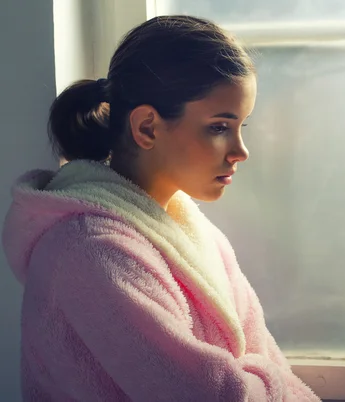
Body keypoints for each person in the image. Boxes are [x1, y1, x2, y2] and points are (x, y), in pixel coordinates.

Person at [3, 15, 319, 401]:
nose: (241, 151)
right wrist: (267, 380)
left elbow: (259, 360)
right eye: (219, 127)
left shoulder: (197, 234)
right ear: (148, 128)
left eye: (242, 127)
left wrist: (260, 377)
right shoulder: (88, 250)